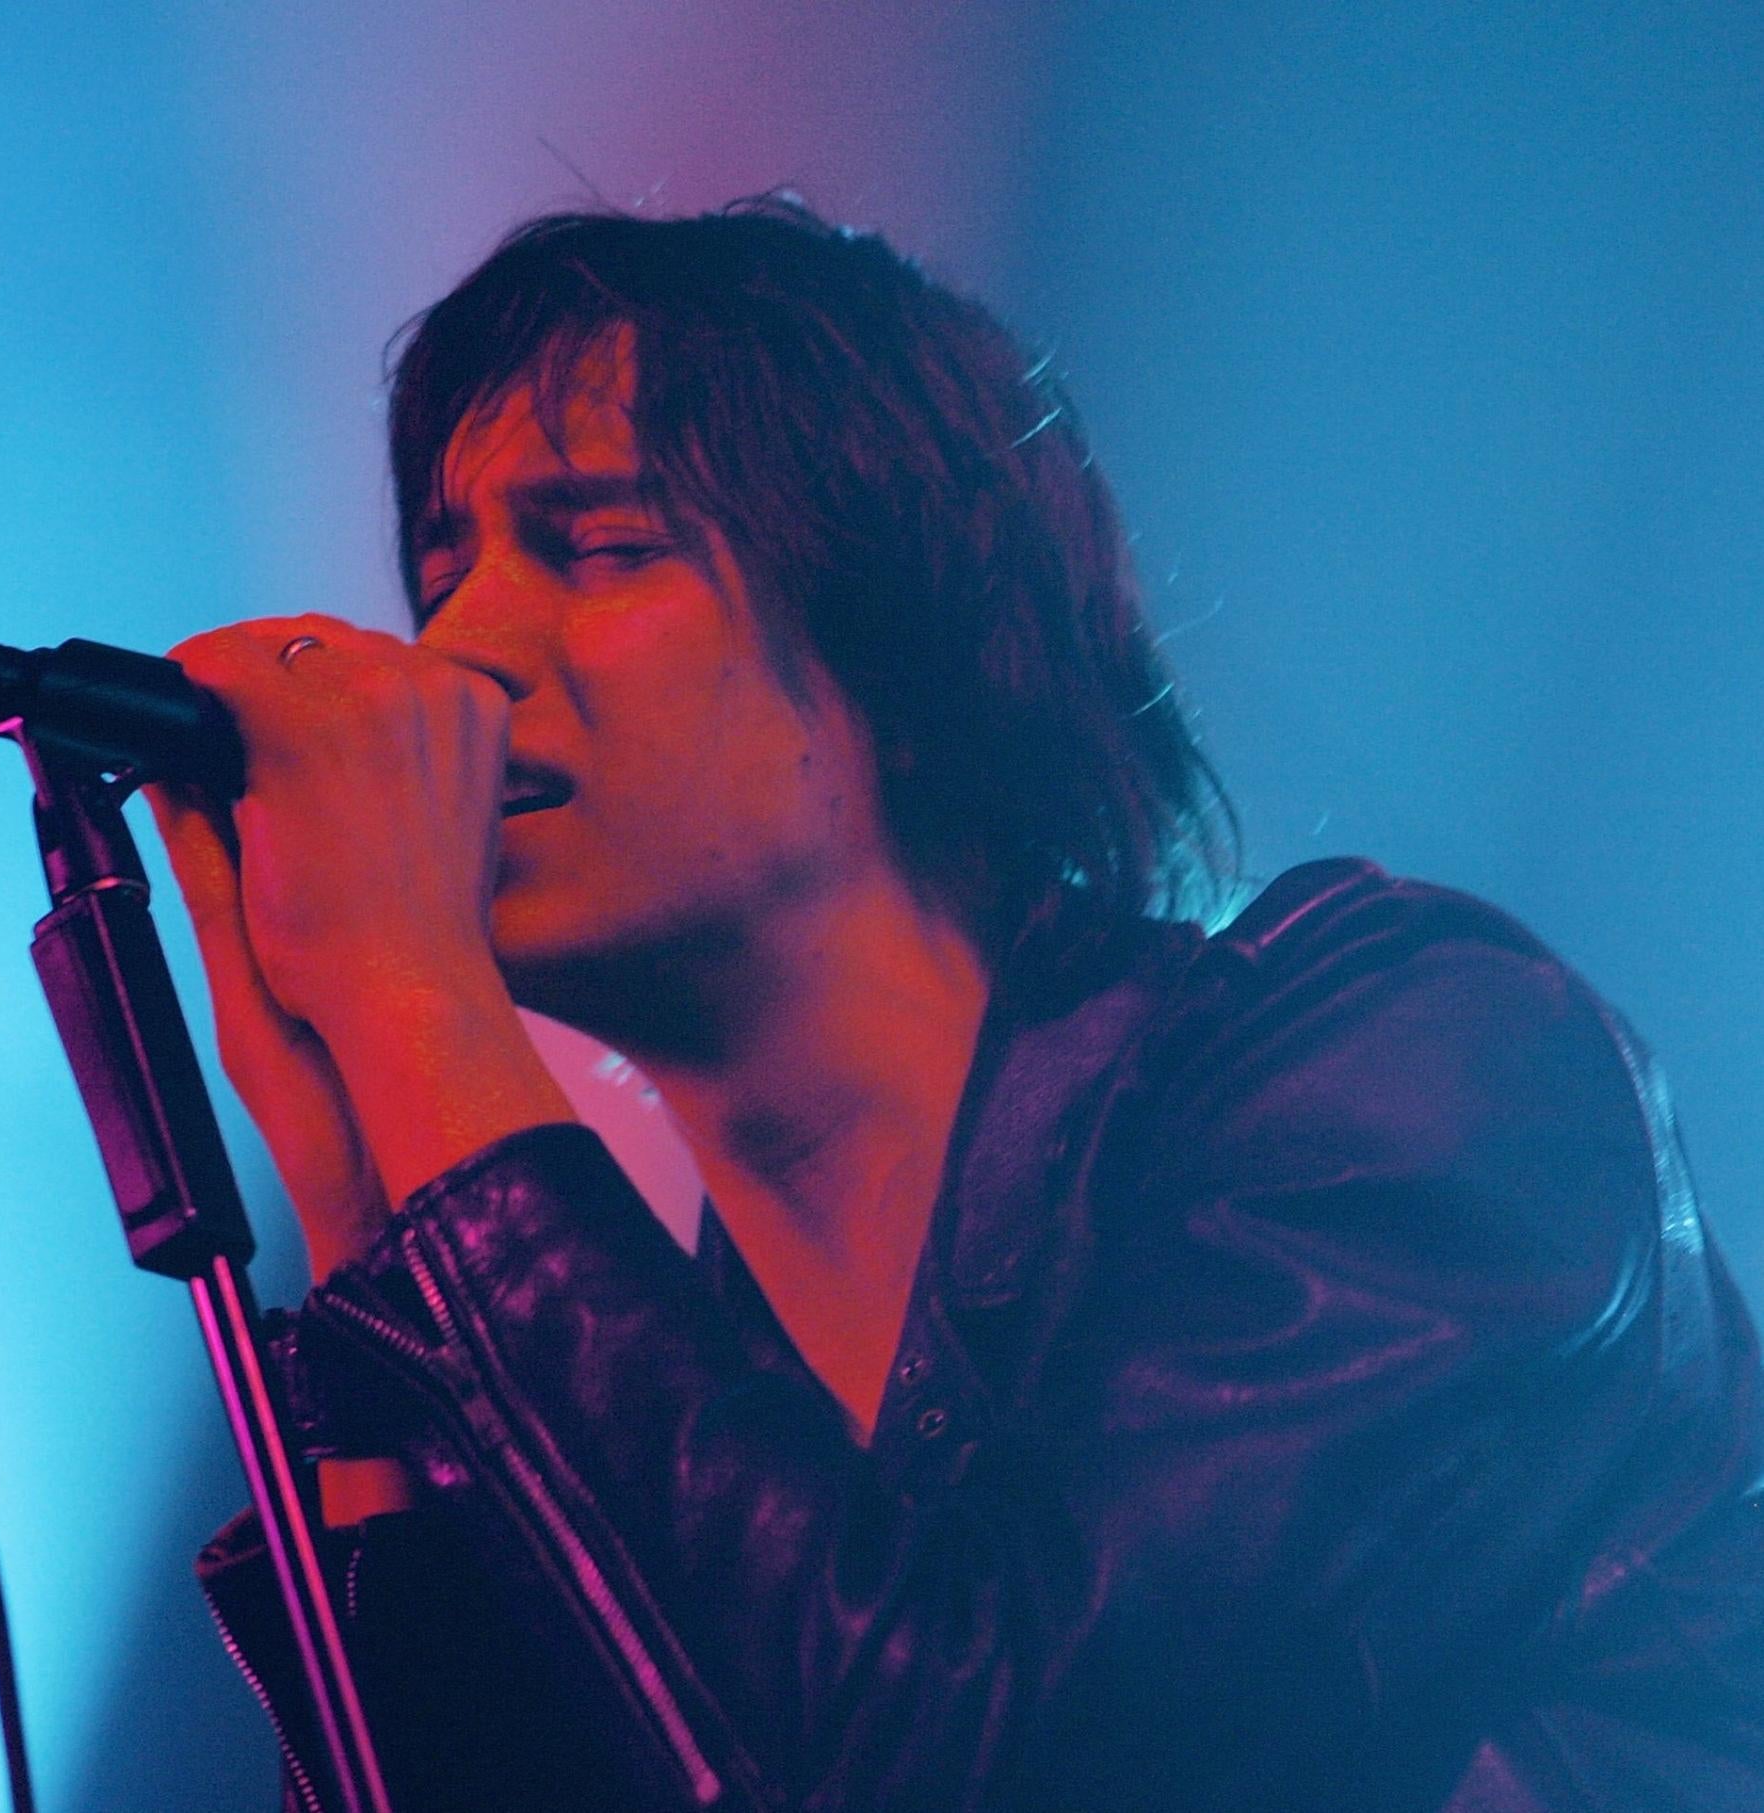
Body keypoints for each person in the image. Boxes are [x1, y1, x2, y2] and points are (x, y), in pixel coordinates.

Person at [147, 198, 1764, 1811]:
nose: (459, 649)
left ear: (907, 658)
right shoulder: (691, 1406)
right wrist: (368, 1233)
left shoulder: (1428, 1069)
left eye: (604, 546)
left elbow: (1023, 1762)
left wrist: (425, 1003)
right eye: (446, 566)